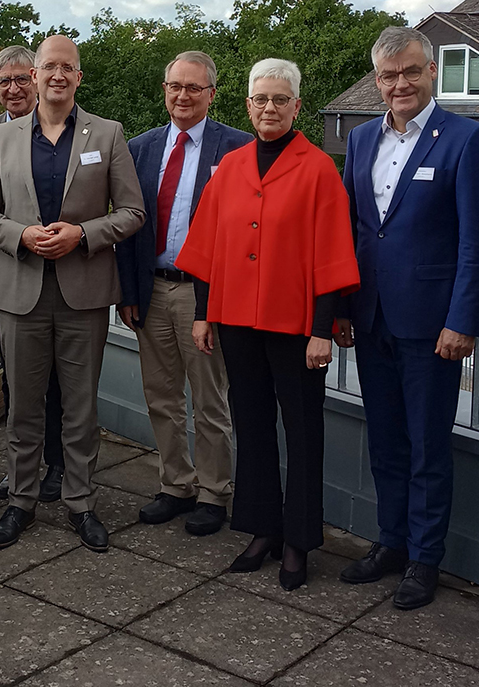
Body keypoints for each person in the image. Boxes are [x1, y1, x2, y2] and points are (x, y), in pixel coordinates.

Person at [176, 58, 359, 591]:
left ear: (297, 106)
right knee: (251, 426)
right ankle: (262, 528)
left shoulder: (319, 167)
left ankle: (299, 540)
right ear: (248, 106)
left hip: (297, 326)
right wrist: (204, 314)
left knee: (303, 432)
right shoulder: (230, 167)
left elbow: (332, 255)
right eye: (261, 100)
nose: (270, 108)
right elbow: (208, 248)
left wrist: (323, 329)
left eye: (281, 99)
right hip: (235, 320)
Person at [336, 26, 479, 611]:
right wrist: (344, 307)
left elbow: (476, 242)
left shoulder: (466, 139)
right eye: (387, 75)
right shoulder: (358, 141)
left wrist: (463, 319)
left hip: (432, 325)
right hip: (372, 316)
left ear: (431, 72)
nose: (399, 84)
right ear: (377, 82)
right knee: (385, 442)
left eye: (409, 72)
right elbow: (355, 231)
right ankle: (392, 543)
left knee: (428, 446)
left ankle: (426, 559)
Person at [0, 35, 145, 552]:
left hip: (83, 292)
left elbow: (132, 212)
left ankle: (81, 502)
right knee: (23, 407)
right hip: (20, 291)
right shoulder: (1, 139)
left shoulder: (107, 134)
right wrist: (21, 236)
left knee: (79, 408)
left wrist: (83, 234)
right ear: (34, 74)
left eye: (67, 67)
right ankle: (20, 500)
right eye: (49, 67)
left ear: (78, 77)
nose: (57, 76)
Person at [117, 50, 251, 537]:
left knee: (211, 400)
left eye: (195, 87)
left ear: (212, 94)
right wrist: (127, 290)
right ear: (165, 89)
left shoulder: (236, 149)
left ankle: (215, 491)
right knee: (161, 396)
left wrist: (217, 301)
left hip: (204, 295)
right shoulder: (141, 148)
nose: (183, 95)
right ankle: (176, 484)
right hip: (152, 289)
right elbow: (129, 226)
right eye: (176, 86)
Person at [0, 45, 66, 504]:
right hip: (12, 278)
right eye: (3, 82)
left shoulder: (73, 128)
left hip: (69, 282)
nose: (13, 89)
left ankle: (61, 468)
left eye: (19, 79)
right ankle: (21, 474)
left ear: (35, 78)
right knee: (19, 382)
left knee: (62, 385)